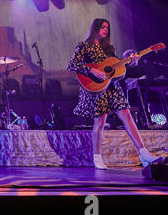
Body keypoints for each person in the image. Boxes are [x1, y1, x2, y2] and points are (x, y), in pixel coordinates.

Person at [67, 18, 159, 169]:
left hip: (112, 86)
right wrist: (92, 70)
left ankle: (143, 153)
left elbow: (116, 69)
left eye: (107, 28)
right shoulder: (84, 46)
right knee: (101, 121)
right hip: (97, 88)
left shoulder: (109, 48)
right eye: (103, 27)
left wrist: (131, 62)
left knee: (127, 115)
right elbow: (73, 64)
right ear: (95, 28)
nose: (106, 30)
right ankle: (97, 157)